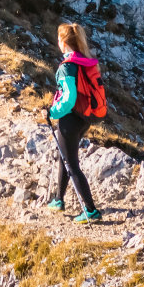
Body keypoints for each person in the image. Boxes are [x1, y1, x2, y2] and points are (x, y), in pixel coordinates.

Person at [45, 22, 108, 224]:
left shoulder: (67, 67)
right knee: (65, 156)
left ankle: (90, 210)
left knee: (71, 164)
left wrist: (52, 111)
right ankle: (58, 199)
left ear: (62, 42)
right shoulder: (85, 61)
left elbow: (69, 97)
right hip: (84, 118)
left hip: (70, 119)